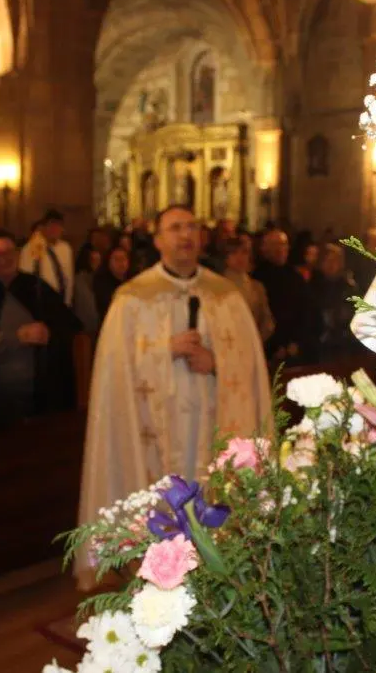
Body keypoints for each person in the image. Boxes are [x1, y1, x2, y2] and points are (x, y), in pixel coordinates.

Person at [77, 205, 272, 588]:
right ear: (158, 240)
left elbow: (250, 363)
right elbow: (116, 369)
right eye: (175, 228)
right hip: (156, 429)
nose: (185, 235)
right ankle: (158, 579)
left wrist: (216, 361)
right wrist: (165, 349)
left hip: (212, 421)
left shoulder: (225, 295)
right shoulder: (132, 298)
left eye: (192, 228)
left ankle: (219, 576)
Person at [0, 230, 81, 428]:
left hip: (39, 397)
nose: (5, 259)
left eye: (10, 252)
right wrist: (16, 337)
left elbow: (69, 325)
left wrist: (49, 332)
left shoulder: (35, 287)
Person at [253, 228, 312, 366]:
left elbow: (305, 310)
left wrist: (296, 342)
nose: (279, 249)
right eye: (274, 245)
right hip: (267, 349)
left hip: (293, 348)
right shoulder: (257, 278)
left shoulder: (296, 277)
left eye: (283, 244)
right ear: (265, 248)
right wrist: (274, 346)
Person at [222, 237, 274, 344]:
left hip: (252, 344)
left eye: (244, 252)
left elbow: (267, 321)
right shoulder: (218, 286)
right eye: (234, 252)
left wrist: (255, 341)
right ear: (226, 257)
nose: (240, 257)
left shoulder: (257, 287)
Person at [19, 209, 75, 306]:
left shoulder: (66, 248)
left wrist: (67, 303)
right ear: (44, 227)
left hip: (59, 299)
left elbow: (69, 278)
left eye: (58, 226)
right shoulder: (31, 248)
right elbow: (24, 278)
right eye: (51, 225)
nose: (55, 229)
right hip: (39, 300)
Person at [93, 245, 131, 323]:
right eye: (117, 259)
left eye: (123, 258)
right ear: (109, 262)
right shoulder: (101, 282)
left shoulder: (133, 280)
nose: (121, 262)